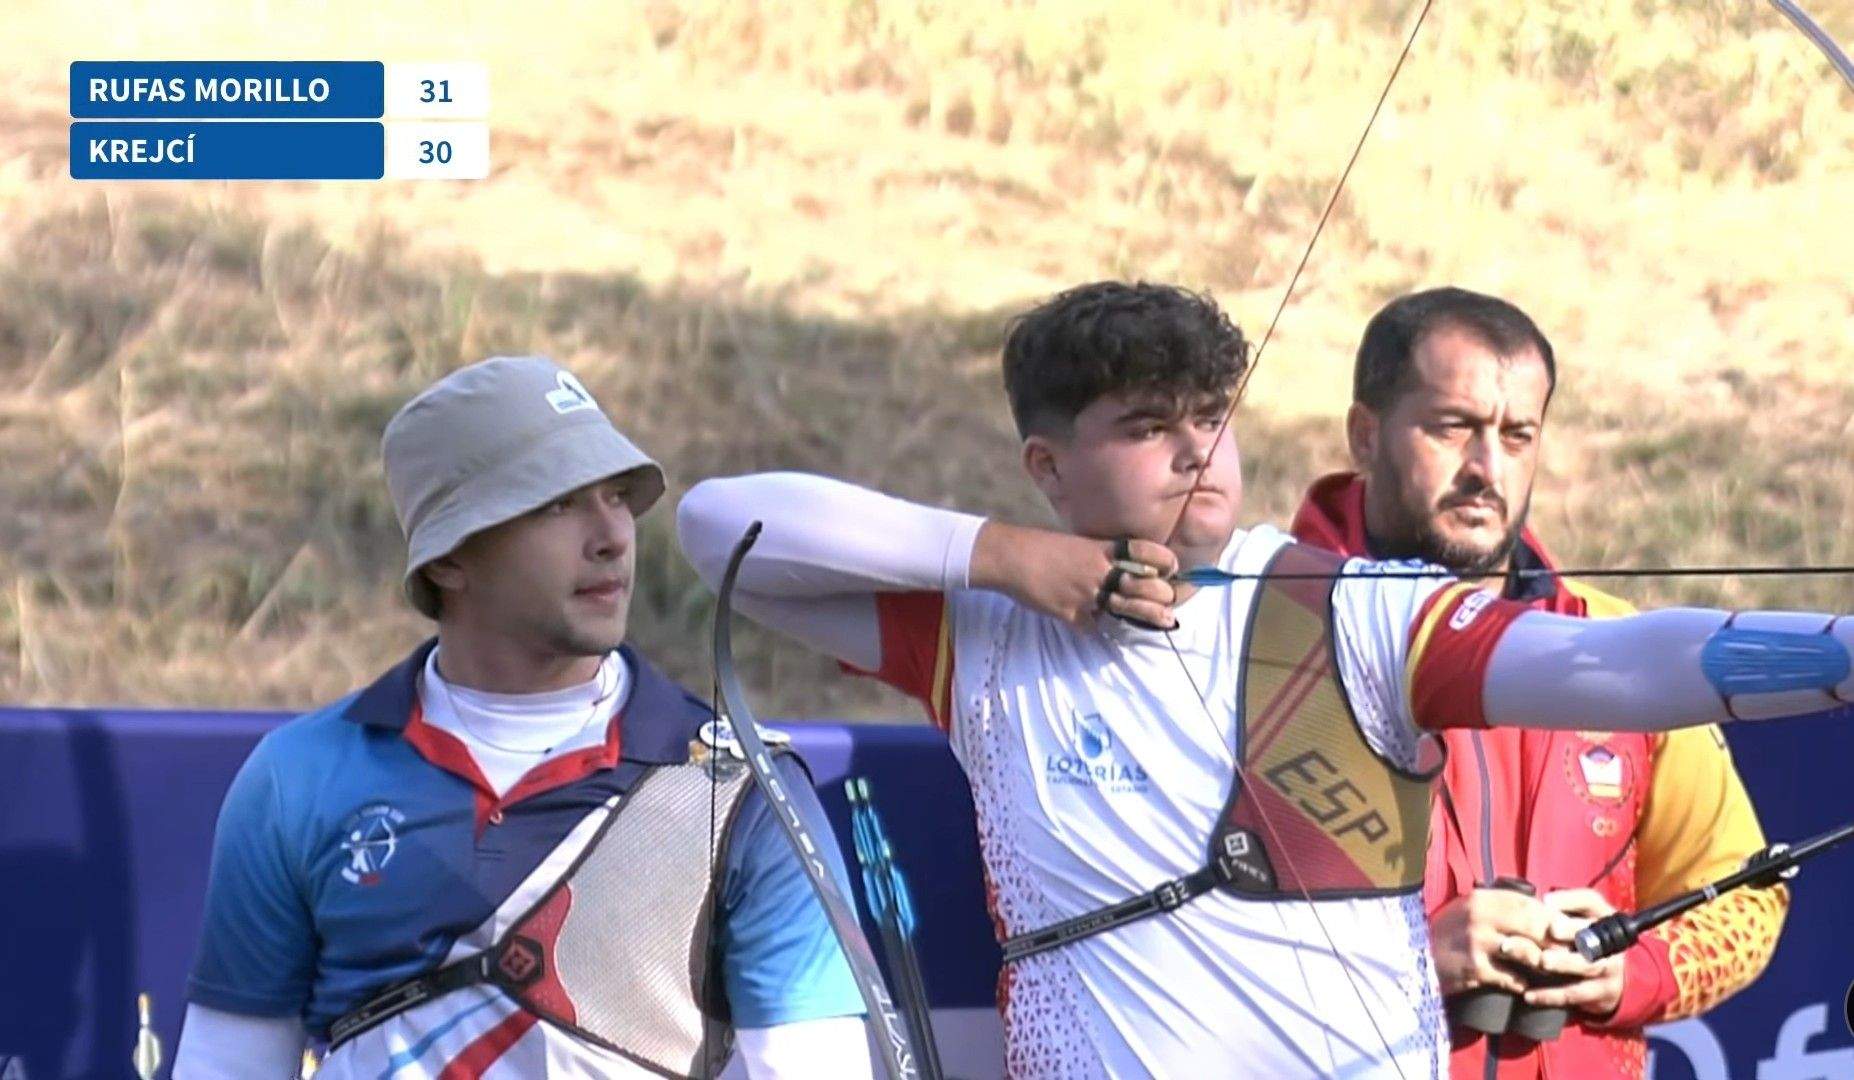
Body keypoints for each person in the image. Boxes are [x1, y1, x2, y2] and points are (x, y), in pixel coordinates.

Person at [674, 281, 1851, 1079]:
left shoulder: (1355, 608)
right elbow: (719, 527)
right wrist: (1006, 557)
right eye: (1148, 425)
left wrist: (1839, 654)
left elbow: (1611, 663)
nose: (1197, 451)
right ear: (1050, 465)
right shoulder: (982, 626)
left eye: (1213, 419)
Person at [173, 356, 873, 1078]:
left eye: (615, 497)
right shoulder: (298, 779)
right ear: (448, 560)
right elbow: (227, 1065)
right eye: (558, 503)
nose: (612, 536)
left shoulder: (742, 792)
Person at [1289, 286, 1787, 1078]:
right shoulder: (1257, 639)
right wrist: (1409, 961)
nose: (1486, 468)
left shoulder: (1619, 647)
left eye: (1518, 435)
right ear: (1365, 435)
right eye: (1453, 427)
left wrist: (1628, 966)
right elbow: (1154, 951)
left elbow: (1747, 894)